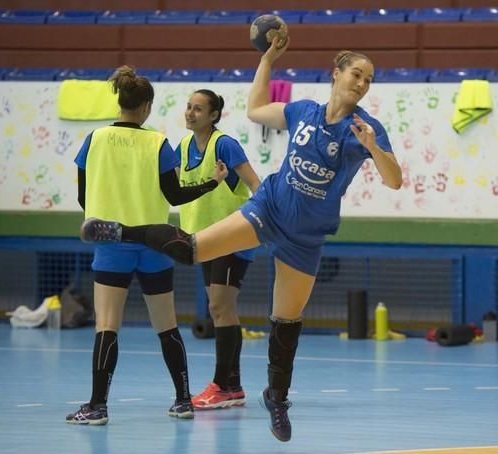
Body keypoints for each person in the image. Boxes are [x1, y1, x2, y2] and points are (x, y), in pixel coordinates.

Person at [79, 38, 402, 441]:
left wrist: (375, 148)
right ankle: (120, 231)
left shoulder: (365, 130)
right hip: (267, 210)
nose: (362, 83)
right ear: (336, 74)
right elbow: (254, 109)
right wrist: (267, 60)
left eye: (369, 79)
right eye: (356, 73)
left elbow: (394, 180)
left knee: (286, 321)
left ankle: (277, 398)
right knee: (192, 249)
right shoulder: (303, 111)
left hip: (306, 237)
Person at [66, 66, 228, 425]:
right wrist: (212, 183)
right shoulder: (158, 142)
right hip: (156, 243)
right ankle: (184, 400)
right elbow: (174, 194)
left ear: (120, 101)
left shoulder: (94, 139)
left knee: (107, 325)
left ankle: (97, 407)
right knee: (167, 326)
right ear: (147, 107)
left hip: (112, 243)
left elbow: (82, 193)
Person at [177, 89, 261, 410]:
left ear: (213, 116)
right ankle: (233, 386)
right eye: (188, 107)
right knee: (220, 310)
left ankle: (222, 385)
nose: (190, 113)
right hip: (204, 240)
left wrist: (262, 222)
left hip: (232, 235)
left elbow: (255, 184)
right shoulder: (183, 147)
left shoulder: (223, 144)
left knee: (220, 307)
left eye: (198, 109)